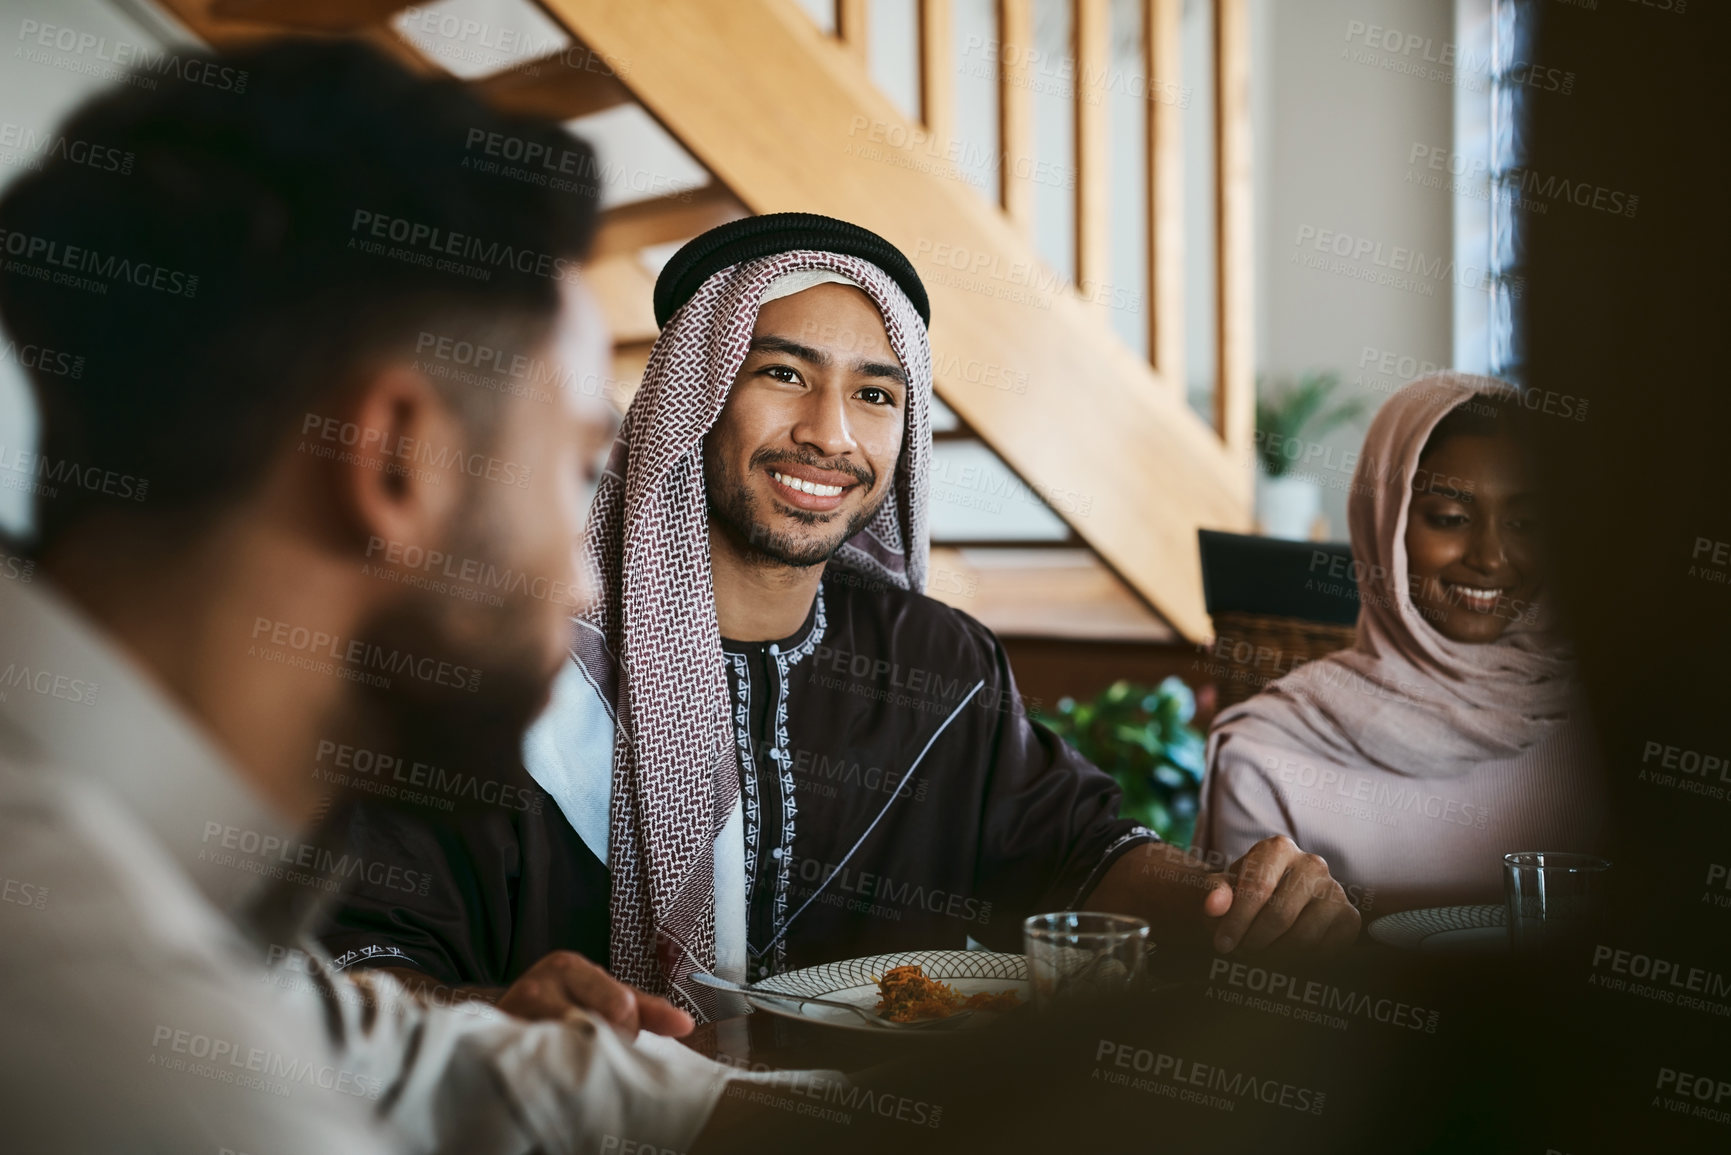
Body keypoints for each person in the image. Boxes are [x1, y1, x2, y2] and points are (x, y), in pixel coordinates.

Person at [321, 213, 1360, 1019]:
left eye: (877, 394)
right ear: (692, 398)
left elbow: (1080, 848)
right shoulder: (509, 670)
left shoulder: (939, 667)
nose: (830, 434)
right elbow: (360, 967)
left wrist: (1227, 898)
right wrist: (498, 1015)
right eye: (782, 375)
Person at [0, 39, 739, 1153]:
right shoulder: (115, 1036)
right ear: (403, 463)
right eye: (576, 469)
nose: (587, 578)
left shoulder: (134, 866)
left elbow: (377, 1049)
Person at [1194, 373, 1607, 914]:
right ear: (1383, 526)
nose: (1491, 557)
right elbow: (1254, 971)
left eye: (1526, 523)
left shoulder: (1610, 726)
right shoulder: (1266, 756)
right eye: (1450, 518)